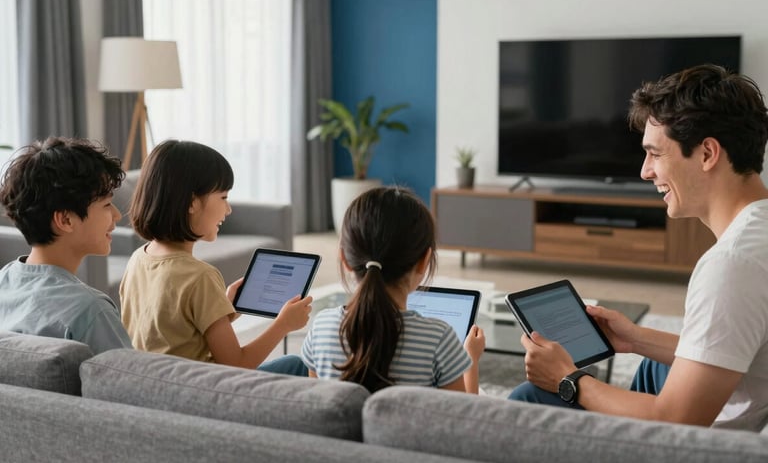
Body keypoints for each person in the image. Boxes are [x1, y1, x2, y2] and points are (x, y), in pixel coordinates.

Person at [507, 64, 768, 431]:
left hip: (705, 451)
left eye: (656, 154)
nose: (645, 171)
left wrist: (569, 379)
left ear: (708, 153)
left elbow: (678, 418)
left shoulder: (732, 264)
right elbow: (738, 349)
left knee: (530, 398)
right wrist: (634, 339)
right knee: (656, 364)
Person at [119, 139, 311, 374]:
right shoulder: (200, 276)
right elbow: (237, 365)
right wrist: (283, 325)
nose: (228, 209)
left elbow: (171, 333)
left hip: (159, 385)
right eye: (223, 197)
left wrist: (222, 309)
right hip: (203, 392)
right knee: (297, 365)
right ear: (191, 203)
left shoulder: (139, 258)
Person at [301, 186, 486, 393]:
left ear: (345, 259)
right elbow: (461, 419)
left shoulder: (321, 327)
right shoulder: (438, 339)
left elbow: (316, 409)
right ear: (424, 262)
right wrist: (471, 360)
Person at [0, 137, 132, 354]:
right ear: (66, 220)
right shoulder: (91, 311)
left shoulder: (3, 282)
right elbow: (128, 383)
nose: (117, 215)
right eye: (107, 204)